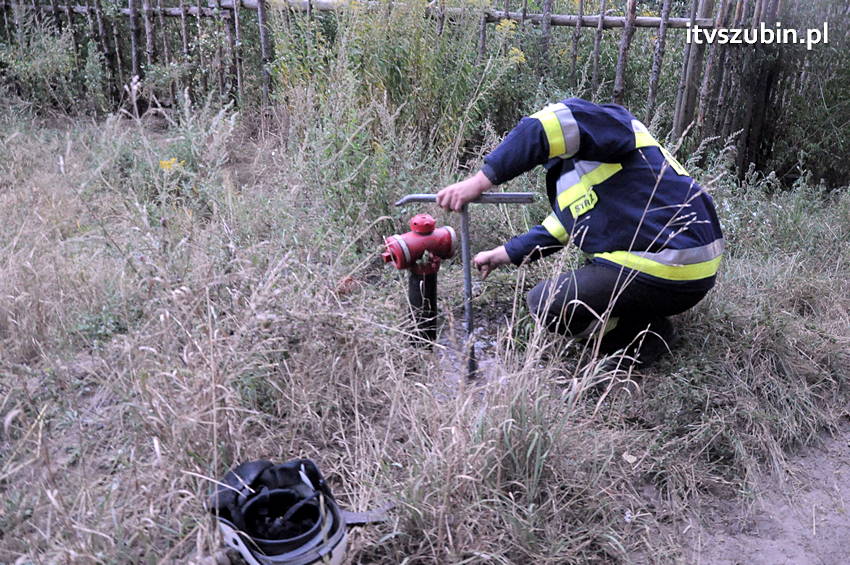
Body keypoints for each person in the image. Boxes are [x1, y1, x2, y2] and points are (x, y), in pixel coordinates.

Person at [435, 97, 723, 368]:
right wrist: (503, 254)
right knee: (575, 289)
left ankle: (645, 337)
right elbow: (559, 229)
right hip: (692, 275)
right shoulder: (575, 174)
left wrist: (480, 181)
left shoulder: (606, 126)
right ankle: (645, 319)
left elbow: (543, 125)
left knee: (547, 303)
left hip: (667, 260)